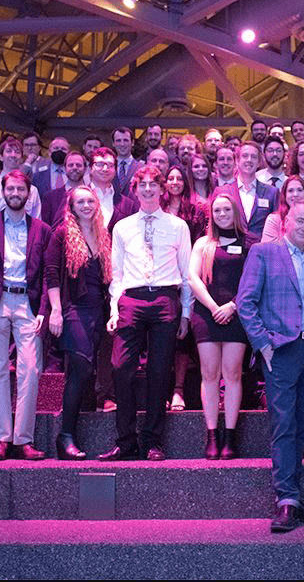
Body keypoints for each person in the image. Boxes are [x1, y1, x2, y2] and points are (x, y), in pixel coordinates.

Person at [237, 200, 304, 533]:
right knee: (283, 426)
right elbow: (245, 302)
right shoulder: (264, 253)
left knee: (302, 425)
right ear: (286, 221)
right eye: (301, 222)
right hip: (281, 351)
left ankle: (293, 498)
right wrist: (263, 343)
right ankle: (286, 501)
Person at [100, 165, 193, 462]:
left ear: (163, 189)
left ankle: (152, 441)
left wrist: (186, 314)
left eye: (154, 184)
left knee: (158, 371)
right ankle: (125, 441)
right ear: (135, 189)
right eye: (143, 184)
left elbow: (187, 274)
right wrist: (114, 309)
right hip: (132, 298)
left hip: (166, 298)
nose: (149, 189)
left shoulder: (178, 226)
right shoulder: (122, 226)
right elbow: (117, 274)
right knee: (121, 367)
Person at [0, 170, 52, 461]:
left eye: (21, 189)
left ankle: (23, 439)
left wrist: (44, 309)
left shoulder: (42, 229)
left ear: (29, 194)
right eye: (11, 189)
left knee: (30, 370)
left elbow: (46, 275)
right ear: (3, 191)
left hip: (27, 305)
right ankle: (2, 439)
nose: (16, 194)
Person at [44, 186, 111, 460]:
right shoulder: (61, 234)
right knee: (80, 368)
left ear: (96, 204)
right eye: (79, 201)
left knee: (87, 370)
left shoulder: (102, 233)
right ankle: (65, 436)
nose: (85, 205)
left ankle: (71, 434)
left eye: (89, 201)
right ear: (70, 206)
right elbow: (50, 273)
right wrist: (56, 310)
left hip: (99, 310)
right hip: (73, 309)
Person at [189, 195, 252, 459]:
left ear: (235, 212)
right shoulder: (204, 243)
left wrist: (233, 306)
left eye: (227, 209)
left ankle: (230, 435)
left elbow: (252, 281)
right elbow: (192, 278)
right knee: (210, 374)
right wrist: (215, 307)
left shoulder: (249, 244)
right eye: (217, 210)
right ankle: (212, 433)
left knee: (233, 373)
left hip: (237, 315)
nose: (222, 213)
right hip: (207, 314)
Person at [163, 165, 207, 411]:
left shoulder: (197, 210)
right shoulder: (156, 209)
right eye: (170, 178)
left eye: (180, 178)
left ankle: (179, 389)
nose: (175, 182)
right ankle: (161, 388)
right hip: (163, 276)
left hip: (189, 273)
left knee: (183, 334)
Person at [261, 176, 304, 273]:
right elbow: (267, 256)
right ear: (284, 195)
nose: (295, 194)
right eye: (290, 191)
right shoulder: (274, 221)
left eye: (300, 190)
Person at [213, 141, 279, 242]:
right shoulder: (222, 192)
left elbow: (276, 227)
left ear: (259, 162)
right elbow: (214, 227)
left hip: (261, 251)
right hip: (230, 252)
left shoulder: (272, 193)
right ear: (237, 161)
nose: (249, 160)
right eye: (245, 156)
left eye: (253, 157)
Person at [41, 150, 87, 228]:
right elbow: (46, 229)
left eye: (78, 165)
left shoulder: (93, 196)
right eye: (71, 165)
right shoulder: (50, 198)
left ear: (85, 168)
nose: (74, 167)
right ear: (65, 168)